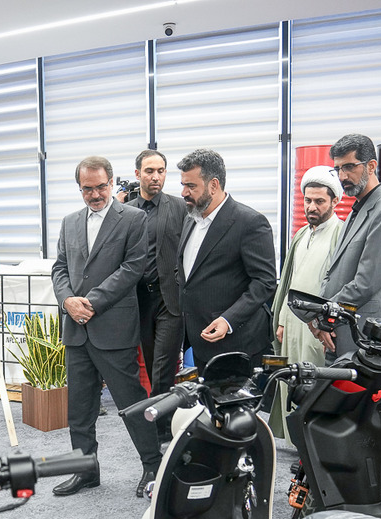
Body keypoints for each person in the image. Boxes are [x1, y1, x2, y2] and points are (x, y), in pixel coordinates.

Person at [51, 155, 162, 498]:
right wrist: (67, 301)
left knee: (132, 405)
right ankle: (85, 470)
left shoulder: (133, 219)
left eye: (101, 186)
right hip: (76, 328)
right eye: (87, 188)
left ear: (112, 182)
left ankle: (153, 467)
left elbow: (133, 268)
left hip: (113, 328)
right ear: (79, 188)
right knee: (79, 408)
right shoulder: (70, 222)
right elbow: (60, 268)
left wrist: (90, 303)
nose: (95, 194)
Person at [176, 148, 277, 370]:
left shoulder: (250, 223)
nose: (183, 192)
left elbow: (265, 282)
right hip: (200, 341)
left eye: (191, 186)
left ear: (213, 185)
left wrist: (228, 320)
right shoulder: (191, 219)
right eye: (183, 184)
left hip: (238, 345)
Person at [316, 134, 381, 362]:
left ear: (371, 166)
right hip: (342, 326)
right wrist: (322, 313)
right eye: (337, 169)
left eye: (349, 167)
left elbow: (366, 282)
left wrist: (324, 314)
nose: (342, 176)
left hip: (368, 334)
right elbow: (334, 272)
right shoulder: (356, 211)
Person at [269, 166, 345, 438]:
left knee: (313, 381)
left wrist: (326, 323)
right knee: (291, 377)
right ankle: (294, 440)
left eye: (319, 201)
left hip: (316, 326)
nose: (312, 207)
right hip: (291, 323)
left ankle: (312, 442)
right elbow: (288, 281)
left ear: (335, 201)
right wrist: (281, 320)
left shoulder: (340, 233)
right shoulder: (301, 234)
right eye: (308, 200)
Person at [125, 149, 188, 441]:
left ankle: (161, 428)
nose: (156, 177)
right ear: (138, 174)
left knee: (164, 365)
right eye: (150, 171)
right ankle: (163, 418)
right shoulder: (125, 212)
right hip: (139, 300)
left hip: (170, 299)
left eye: (161, 171)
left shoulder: (180, 207)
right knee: (152, 365)